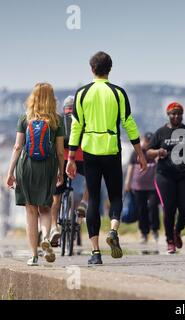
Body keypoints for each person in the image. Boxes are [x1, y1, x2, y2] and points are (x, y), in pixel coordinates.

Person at [66, 51, 147, 265]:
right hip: (112, 150)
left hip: (90, 152)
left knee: (93, 200)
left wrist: (71, 157)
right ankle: (112, 230)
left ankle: (95, 253)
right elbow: (128, 124)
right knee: (116, 196)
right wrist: (140, 153)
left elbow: (76, 127)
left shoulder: (82, 94)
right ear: (109, 69)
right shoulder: (118, 93)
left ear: (92, 69)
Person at [5, 83, 65, 266]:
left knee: (30, 211)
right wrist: (61, 172)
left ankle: (33, 255)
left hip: (27, 166)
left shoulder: (25, 118)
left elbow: (17, 147)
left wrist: (10, 172)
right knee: (45, 207)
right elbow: (60, 151)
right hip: (47, 167)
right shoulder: (57, 120)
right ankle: (46, 236)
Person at [147, 102, 185, 254]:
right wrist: (158, 152)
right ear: (168, 115)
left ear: (182, 115)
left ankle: (178, 229)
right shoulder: (160, 132)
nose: (176, 116)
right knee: (169, 209)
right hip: (165, 175)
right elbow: (148, 151)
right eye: (173, 114)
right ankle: (170, 240)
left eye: (179, 114)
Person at [49, 95, 89, 247]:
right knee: (92, 180)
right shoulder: (83, 117)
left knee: (56, 197)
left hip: (63, 159)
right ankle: (84, 203)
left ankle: (53, 227)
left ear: (64, 107)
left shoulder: (58, 119)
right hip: (81, 157)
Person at [124, 131, 160, 244]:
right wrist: (127, 183)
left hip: (153, 186)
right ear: (143, 140)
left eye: (150, 141)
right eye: (146, 141)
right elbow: (130, 167)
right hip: (138, 186)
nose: (147, 143)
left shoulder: (154, 152)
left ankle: (154, 230)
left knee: (153, 206)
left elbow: (160, 167)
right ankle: (144, 233)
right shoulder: (136, 152)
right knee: (141, 209)